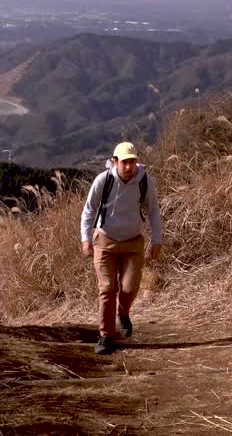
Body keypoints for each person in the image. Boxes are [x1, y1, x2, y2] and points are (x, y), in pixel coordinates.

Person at [80, 141, 163, 355]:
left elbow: (153, 211)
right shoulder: (104, 181)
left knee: (129, 288)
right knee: (107, 289)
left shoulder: (145, 181)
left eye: (132, 161)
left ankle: (123, 313)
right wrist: (86, 239)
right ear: (115, 162)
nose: (129, 167)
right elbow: (89, 211)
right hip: (105, 241)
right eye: (125, 162)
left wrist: (157, 240)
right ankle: (105, 335)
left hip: (133, 241)